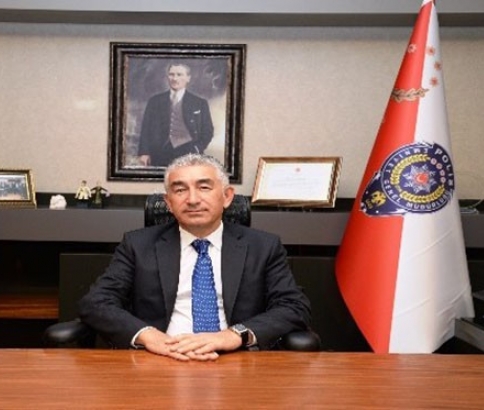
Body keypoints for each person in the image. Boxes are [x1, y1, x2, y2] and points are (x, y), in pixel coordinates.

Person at [78, 154, 311, 361]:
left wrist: (233, 335)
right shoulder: (138, 245)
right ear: (168, 203)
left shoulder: (263, 246)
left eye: (204, 187)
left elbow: (294, 306)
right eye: (180, 190)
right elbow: (96, 302)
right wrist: (149, 336)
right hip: (161, 357)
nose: (192, 200)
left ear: (227, 196)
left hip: (237, 359)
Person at [137, 63, 214, 167]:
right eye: (171, 74)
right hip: (159, 152)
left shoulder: (199, 103)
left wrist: (197, 148)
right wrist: (144, 152)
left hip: (189, 153)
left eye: (179, 74)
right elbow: (145, 129)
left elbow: (208, 130)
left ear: (188, 78)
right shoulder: (155, 101)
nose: (174, 78)